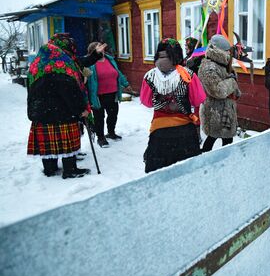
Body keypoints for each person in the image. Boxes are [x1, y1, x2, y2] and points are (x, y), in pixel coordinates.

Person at [27, 33, 105, 179]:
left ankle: (50, 169)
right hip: (62, 112)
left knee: (49, 144)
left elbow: (80, 61)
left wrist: (95, 54)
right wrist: (81, 109)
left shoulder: (40, 62)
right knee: (66, 142)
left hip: (40, 113)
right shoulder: (62, 66)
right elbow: (69, 91)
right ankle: (70, 170)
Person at [140, 38, 206, 173]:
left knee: (159, 173)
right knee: (187, 172)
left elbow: (146, 102)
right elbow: (198, 100)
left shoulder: (150, 76)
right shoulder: (188, 74)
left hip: (159, 131)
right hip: (185, 131)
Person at [198, 34, 240, 152]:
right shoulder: (208, 67)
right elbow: (218, 91)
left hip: (226, 110)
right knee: (213, 137)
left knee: (227, 140)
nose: (228, 54)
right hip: (214, 112)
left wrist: (236, 91)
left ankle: (224, 162)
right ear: (219, 51)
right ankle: (207, 161)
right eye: (226, 51)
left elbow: (231, 84)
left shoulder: (223, 65)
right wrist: (232, 81)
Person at [86, 42, 131, 147]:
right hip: (97, 96)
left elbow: (118, 73)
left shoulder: (109, 59)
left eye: (102, 48)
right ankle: (100, 138)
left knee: (113, 114)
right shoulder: (89, 63)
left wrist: (126, 84)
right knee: (99, 117)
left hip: (113, 93)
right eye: (99, 48)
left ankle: (111, 132)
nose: (102, 50)